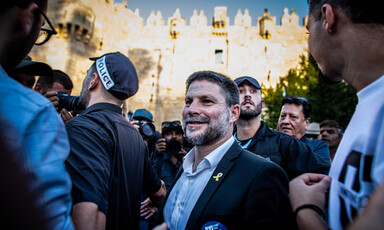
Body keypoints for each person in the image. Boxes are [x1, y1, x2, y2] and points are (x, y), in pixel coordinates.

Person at [289, 1, 384, 229]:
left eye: (308, 31)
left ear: (327, 18)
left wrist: (305, 211)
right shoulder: (370, 101)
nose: (309, 44)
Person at [158, 71, 293, 229]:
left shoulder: (262, 174)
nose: (191, 109)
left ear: (234, 113)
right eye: (188, 102)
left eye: (207, 101)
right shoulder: (185, 166)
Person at [65, 52, 166, 230]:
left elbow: (91, 215)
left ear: (93, 80)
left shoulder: (82, 127)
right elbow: (159, 192)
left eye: (86, 75)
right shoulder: (135, 136)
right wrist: (155, 202)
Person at [0, 1, 74, 229]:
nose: (28, 91)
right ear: (28, 18)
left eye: (30, 84)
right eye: (42, 28)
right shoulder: (36, 115)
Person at [233, 76, 330, 180]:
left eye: (253, 91)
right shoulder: (221, 144)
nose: (247, 94)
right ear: (230, 104)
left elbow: (326, 175)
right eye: (240, 91)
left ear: (262, 103)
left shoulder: (287, 144)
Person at [277, 96, 331, 164]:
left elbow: (320, 173)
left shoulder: (317, 147)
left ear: (306, 122)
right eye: (283, 116)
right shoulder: (268, 144)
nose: (285, 121)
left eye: (293, 117)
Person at [152, 120, 190, 191]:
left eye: (178, 134)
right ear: (163, 138)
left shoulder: (191, 154)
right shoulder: (159, 155)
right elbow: (150, 178)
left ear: (183, 137)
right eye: (168, 134)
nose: (174, 137)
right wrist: (156, 154)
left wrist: (189, 160)